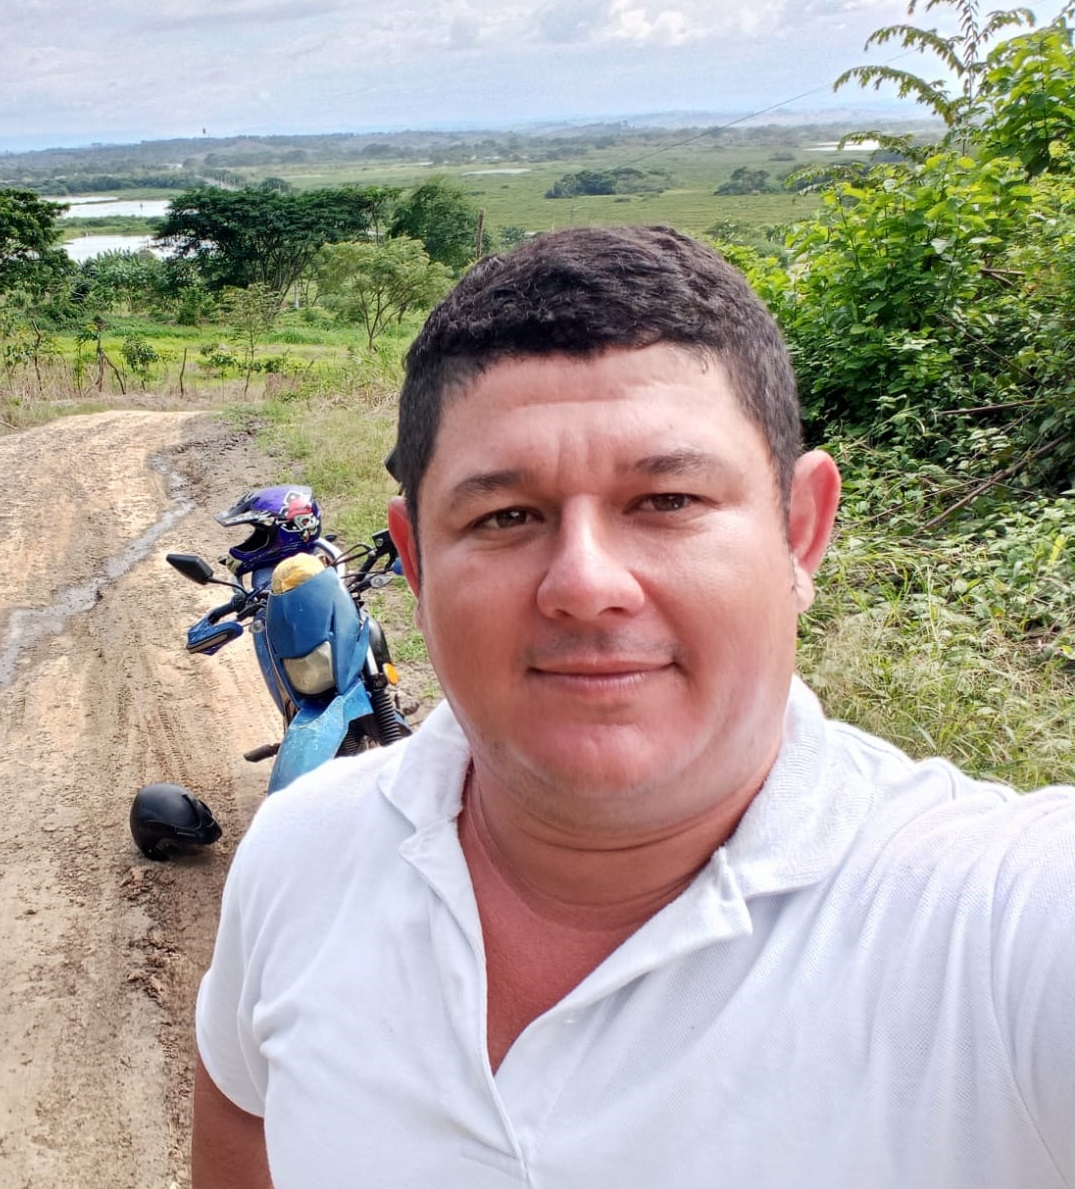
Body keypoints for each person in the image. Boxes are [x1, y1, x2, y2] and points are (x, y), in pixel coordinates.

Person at [191, 226, 1075, 1189]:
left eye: (668, 500)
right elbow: (242, 1116)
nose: (584, 584)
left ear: (797, 531)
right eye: (504, 516)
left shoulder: (995, 928)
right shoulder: (299, 851)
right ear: (415, 560)